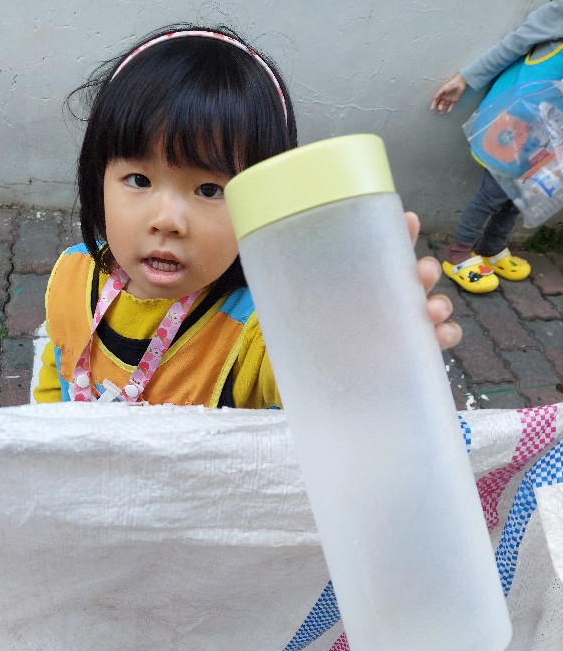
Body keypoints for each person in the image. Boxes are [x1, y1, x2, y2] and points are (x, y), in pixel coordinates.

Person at [34, 24, 460, 407]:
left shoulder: (254, 332)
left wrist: (358, 349)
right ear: (98, 178)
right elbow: (58, 370)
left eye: (209, 189)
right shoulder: (71, 274)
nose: (167, 220)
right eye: (139, 180)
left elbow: (316, 376)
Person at [430, 0, 563, 293]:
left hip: (549, 133)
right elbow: (516, 42)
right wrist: (465, 79)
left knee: (520, 194)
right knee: (493, 193)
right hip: (518, 123)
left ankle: (492, 248)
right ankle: (457, 253)